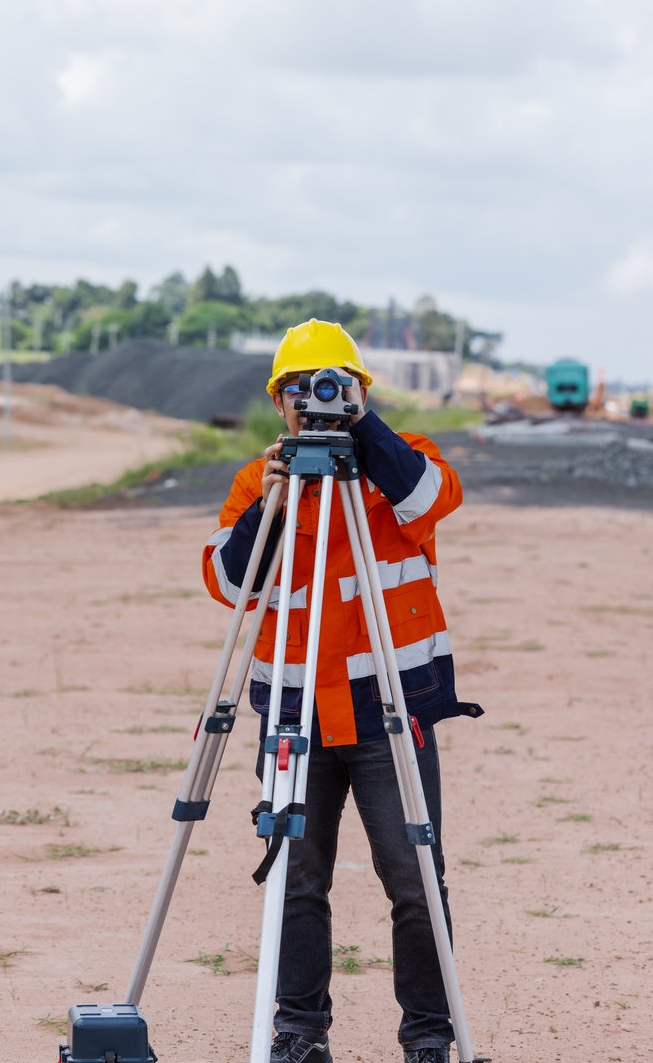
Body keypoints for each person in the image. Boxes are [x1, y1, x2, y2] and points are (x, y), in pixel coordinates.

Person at [201, 320, 483, 1063]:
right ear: (276, 401)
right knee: (296, 879)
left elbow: (433, 499)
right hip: (295, 710)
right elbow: (229, 583)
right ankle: (298, 1033)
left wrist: (365, 430)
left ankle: (428, 1036)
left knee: (415, 877)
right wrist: (273, 503)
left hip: (389, 712)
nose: (314, 401)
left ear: (361, 392)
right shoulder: (257, 482)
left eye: (332, 385)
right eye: (299, 389)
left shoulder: (400, 463)